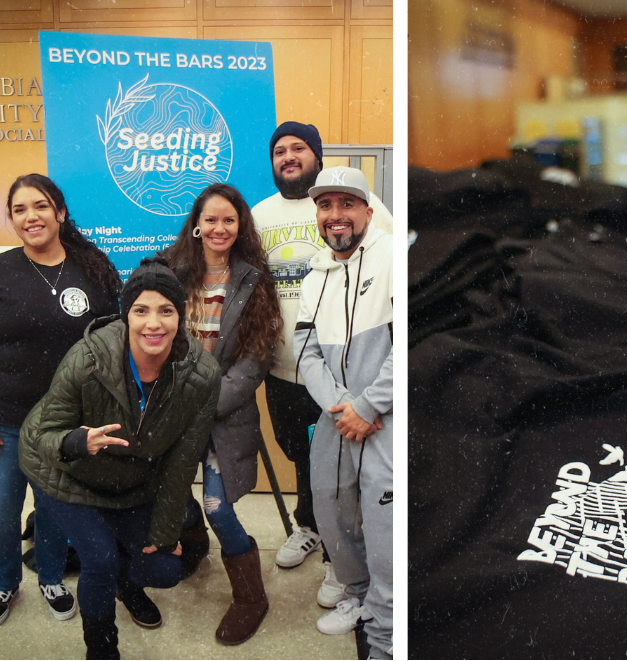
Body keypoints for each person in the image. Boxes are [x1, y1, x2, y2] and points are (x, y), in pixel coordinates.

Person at [19, 256, 221, 659]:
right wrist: (78, 441)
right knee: (100, 559)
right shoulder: (88, 358)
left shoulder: (202, 375)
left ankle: (128, 587)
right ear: (125, 315)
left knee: (163, 569)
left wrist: (164, 532)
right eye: (140, 310)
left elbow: (181, 462)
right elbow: (43, 434)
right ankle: (101, 644)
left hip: (130, 479)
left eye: (166, 311)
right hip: (66, 471)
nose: (153, 324)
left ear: (180, 317)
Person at [250, 122, 392, 609]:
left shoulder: (372, 223)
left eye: (298, 148)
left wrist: (367, 397)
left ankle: (344, 562)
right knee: (305, 459)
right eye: (280, 151)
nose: (288, 156)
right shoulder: (259, 215)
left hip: (356, 377)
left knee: (352, 476)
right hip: (289, 368)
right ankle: (312, 531)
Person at [161, 183, 283, 645]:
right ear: (196, 224)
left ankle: (251, 597)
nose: (219, 228)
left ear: (240, 226)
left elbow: (254, 363)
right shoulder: (169, 273)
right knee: (166, 493)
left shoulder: (254, 280)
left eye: (228, 220)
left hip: (224, 416)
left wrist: (199, 406)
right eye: (210, 219)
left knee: (219, 507)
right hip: (169, 411)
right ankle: (193, 547)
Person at [0, 174, 123, 626]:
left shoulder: (92, 267)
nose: (30, 216)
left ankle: (50, 576)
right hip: (7, 422)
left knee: (54, 512)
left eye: (40, 206)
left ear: (60, 213)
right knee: (2, 511)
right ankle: (4, 582)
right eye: (19, 210)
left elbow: (113, 343)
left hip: (66, 426)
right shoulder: (3, 270)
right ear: (12, 220)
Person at [296, 166, 392, 659]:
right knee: (330, 504)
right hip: (337, 414)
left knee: (382, 520)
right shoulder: (316, 273)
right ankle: (357, 596)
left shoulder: (395, 258)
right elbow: (305, 348)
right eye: (326, 205)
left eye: (347, 204)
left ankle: (387, 626)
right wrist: (340, 406)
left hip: (385, 416)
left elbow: (410, 343)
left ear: (367, 212)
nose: (336, 215)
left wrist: (369, 404)